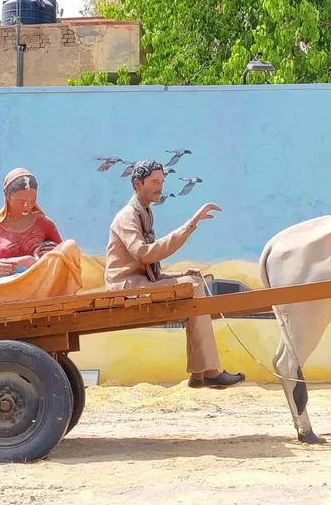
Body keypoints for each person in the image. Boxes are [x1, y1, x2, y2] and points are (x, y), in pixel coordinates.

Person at [105, 159, 245, 389]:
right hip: (125, 286)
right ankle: (207, 372)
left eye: (161, 181)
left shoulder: (144, 213)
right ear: (138, 184)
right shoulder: (127, 216)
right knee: (192, 285)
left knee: (193, 281)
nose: (160, 187)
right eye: (154, 182)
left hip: (138, 281)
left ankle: (201, 374)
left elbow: (148, 268)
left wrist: (177, 274)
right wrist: (190, 225)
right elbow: (144, 254)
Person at [0, 168, 83, 308]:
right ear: (7, 195)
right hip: (5, 288)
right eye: (21, 201)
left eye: (32, 200)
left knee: (70, 246)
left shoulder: (44, 223)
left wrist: (54, 252)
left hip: (40, 286)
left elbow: (63, 261)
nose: (27, 206)